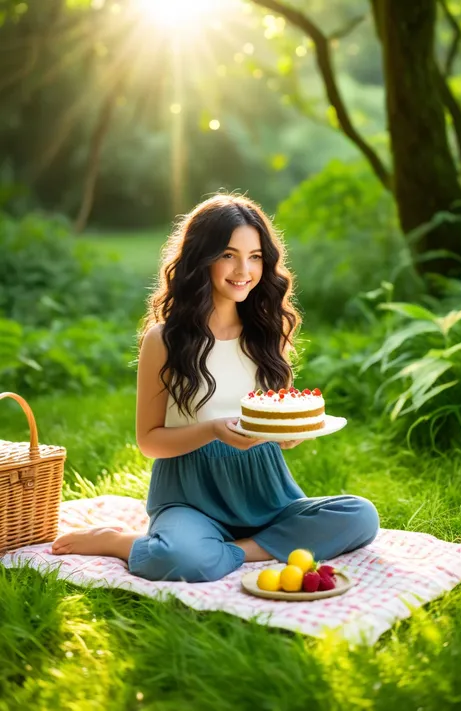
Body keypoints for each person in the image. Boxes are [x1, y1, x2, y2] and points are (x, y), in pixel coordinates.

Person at [52, 194, 379, 581]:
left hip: (266, 493)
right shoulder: (165, 339)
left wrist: (288, 435)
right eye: (229, 254)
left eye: (255, 256)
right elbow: (149, 441)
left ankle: (229, 551)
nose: (244, 269)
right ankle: (120, 541)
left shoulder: (268, 333)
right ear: (201, 258)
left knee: (360, 516)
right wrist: (211, 430)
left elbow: (278, 416)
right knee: (183, 561)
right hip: (189, 495)